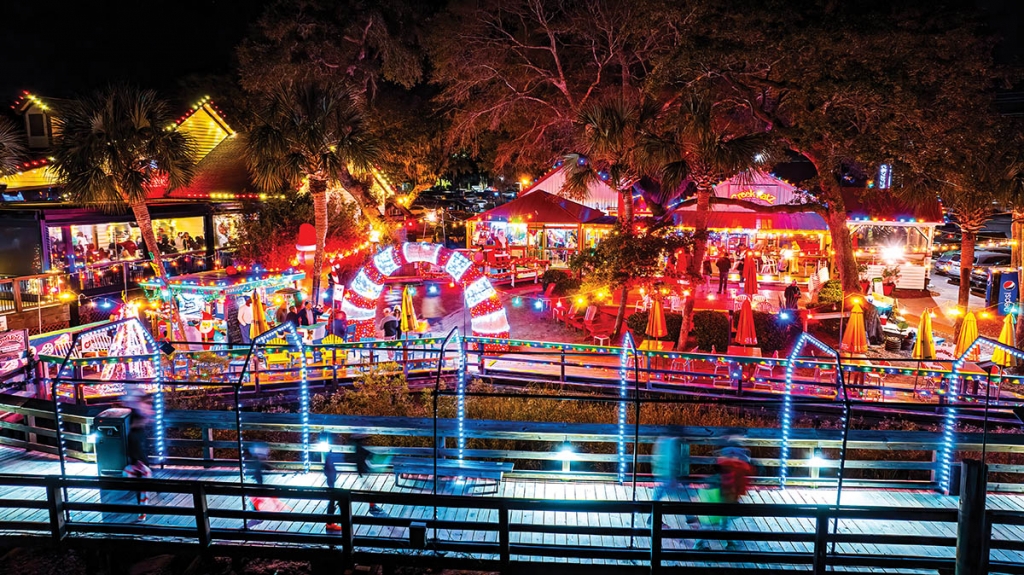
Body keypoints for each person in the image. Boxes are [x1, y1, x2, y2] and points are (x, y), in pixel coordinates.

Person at [123, 390, 154, 521]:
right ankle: (142, 510)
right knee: (142, 486)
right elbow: (134, 445)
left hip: (138, 458)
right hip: (138, 460)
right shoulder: (136, 427)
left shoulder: (138, 429)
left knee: (141, 486)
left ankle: (141, 510)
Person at [350, 434, 386, 517]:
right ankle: (372, 507)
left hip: (362, 472)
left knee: (371, 489)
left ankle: (373, 506)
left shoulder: (358, 449)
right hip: (364, 473)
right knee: (371, 490)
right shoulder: (361, 450)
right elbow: (370, 455)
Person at [322, 434, 345, 532]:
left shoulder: (329, 454)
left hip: (331, 476)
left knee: (333, 499)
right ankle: (330, 523)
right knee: (332, 499)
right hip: (331, 477)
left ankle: (330, 523)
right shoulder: (331, 456)